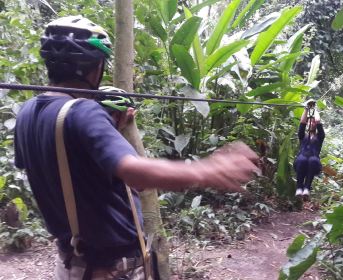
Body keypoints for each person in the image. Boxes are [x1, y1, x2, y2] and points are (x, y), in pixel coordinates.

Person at [14, 16, 258, 280]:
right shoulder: (83, 110)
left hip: (73, 264)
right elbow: (135, 174)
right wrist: (208, 170)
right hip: (107, 269)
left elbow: (70, 171)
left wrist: (112, 132)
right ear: (95, 66)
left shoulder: (27, 113)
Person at [293, 99, 325, 196]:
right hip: (301, 160)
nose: (312, 123)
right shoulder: (303, 136)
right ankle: (299, 187)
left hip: (313, 161)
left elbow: (318, 121)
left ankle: (307, 187)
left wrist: (314, 109)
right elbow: (302, 122)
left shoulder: (320, 136)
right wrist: (306, 109)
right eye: (310, 122)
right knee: (302, 159)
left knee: (312, 160)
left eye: (313, 122)